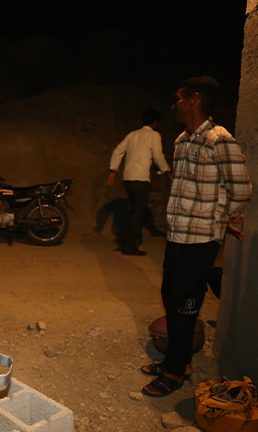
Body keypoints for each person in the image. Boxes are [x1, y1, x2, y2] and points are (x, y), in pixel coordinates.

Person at [140, 76, 252, 397]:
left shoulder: (220, 140)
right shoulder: (181, 141)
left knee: (185, 305)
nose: (174, 104)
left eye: (179, 98)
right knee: (171, 297)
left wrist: (219, 220)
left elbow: (241, 189)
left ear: (195, 100)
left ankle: (174, 372)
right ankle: (181, 361)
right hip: (178, 236)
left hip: (201, 241)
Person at [106, 109, 172, 256]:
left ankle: (124, 239)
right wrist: (168, 172)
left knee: (133, 210)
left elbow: (118, 151)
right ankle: (129, 245)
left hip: (128, 179)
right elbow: (158, 156)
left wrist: (113, 170)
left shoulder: (132, 135)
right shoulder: (154, 135)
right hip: (140, 179)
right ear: (155, 122)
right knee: (138, 213)